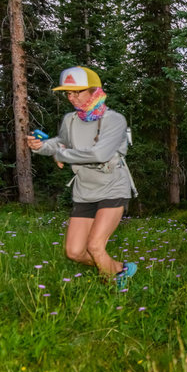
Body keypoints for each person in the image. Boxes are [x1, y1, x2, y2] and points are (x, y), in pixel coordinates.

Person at [27, 66, 138, 289]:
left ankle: (115, 295)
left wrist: (60, 154)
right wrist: (41, 146)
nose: (72, 98)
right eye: (68, 93)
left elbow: (99, 154)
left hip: (112, 187)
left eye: (78, 92)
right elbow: (60, 142)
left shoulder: (114, 120)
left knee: (95, 246)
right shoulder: (70, 119)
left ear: (95, 91)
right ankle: (120, 268)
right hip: (84, 190)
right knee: (75, 252)